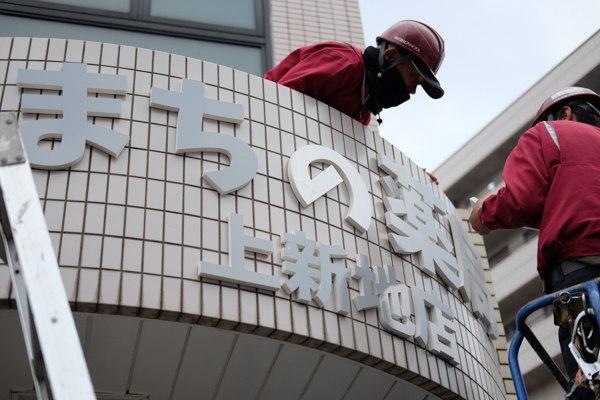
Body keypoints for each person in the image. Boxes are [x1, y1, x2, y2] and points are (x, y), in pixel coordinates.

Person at [469, 87, 600, 399]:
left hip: (577, 276)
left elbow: (522, 198)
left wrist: (482, 215)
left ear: (565, 113)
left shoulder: (550, 132)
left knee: (588, 377)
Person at [264, 20, 445, 127]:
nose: (413, 90)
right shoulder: (344, 63)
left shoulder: (365, 106)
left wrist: (414, 178)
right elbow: (278, 101)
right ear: (391, 56)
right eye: (414, 77)